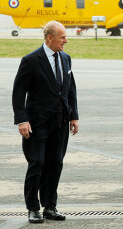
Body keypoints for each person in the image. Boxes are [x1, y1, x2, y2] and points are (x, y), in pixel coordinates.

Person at [12, 21, 79, 223]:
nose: (66, 41)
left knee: (55, 163)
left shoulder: (66, 59)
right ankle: (33, 208)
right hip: (37, 122)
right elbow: (18, 92)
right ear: (49, 38)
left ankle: (50, 206)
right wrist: (21, 120)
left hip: (60, 122)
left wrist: (73, 115)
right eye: (62, 37)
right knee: (37, 163)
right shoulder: (31, 60)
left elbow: (70, 89)